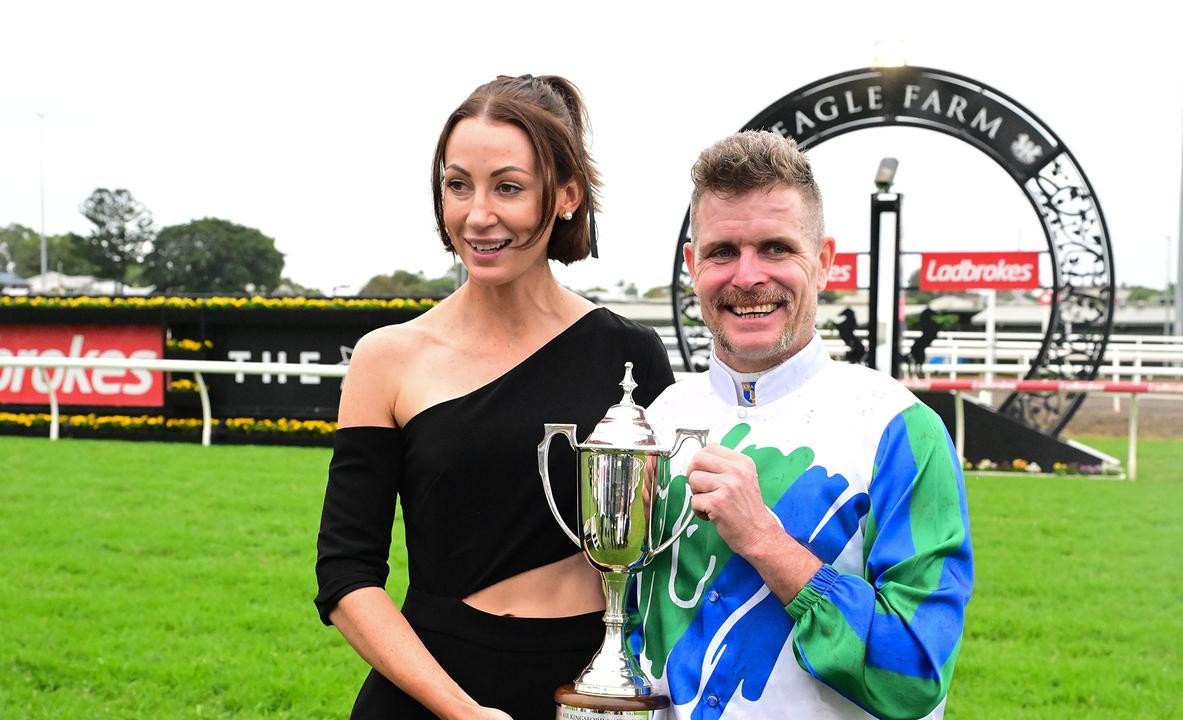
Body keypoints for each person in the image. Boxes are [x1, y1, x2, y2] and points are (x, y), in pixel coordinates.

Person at [314, 75, 674, 719]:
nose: (477, 215)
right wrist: (460, 712)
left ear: (565, 195)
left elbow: (670, 555)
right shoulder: (387, 358)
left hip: (595, 692)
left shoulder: (632, 356)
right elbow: (346, 577)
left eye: (507, 186)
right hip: (429, 695)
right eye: (458, 185)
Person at [633, 131, 973, 720]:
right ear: (692, 266)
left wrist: (766, 542)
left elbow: (916, 672)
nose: (747, 276)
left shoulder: (899, 428)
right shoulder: (656, 421)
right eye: (721, 252)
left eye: (775, 248)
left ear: (823, 263)